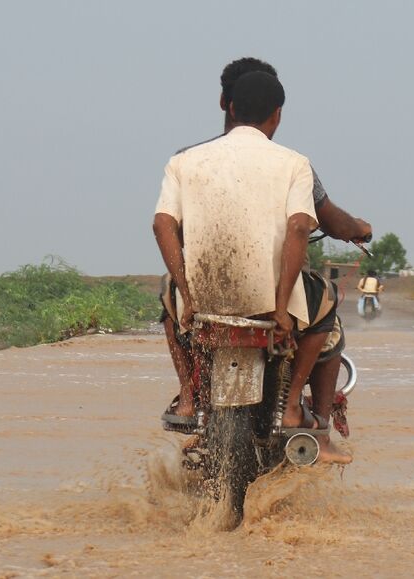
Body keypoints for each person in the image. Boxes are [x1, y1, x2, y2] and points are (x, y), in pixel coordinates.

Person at [158, 57, 369, 463]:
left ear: (228, 104)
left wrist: (185, 291)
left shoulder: (185, 159)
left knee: (167, 301)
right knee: (327, 314)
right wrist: (280, 306)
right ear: (277, 114)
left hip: (204, 293)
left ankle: (188, 398)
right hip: (273, 296)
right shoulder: (293, 164)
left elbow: (162, 223)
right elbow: (304, 227)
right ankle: (304, 417)